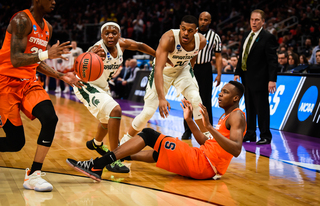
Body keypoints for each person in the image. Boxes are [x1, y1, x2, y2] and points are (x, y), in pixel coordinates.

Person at [66, 81, 246, 181]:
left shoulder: (237, 116)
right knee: (161, 150)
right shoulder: (226, 116)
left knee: (150, 135)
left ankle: (98, 164)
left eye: (225, 92)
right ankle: (125, 155)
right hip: (203, 160)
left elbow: (236, 149)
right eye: (221, 91)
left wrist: (208, 128)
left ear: (236, 98)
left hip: (204, 165)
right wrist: (189, 120)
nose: (220, 94)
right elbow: (206, 143)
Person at [0, 0, 82, 192]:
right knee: (15, 143)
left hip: (29, 83)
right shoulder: (21, 20)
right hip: (6, 84)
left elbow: (34, 62)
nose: (54, 1)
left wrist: (61, 76)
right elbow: (16, 58)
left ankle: (34, 175)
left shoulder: (48, 28)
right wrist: (46, 54)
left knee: (50, 118)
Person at [73, 22, 156, 173]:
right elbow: (84, 60)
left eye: (114, 33)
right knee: (115, 111)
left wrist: (158, 56)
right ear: (101, 35)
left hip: (102, 86)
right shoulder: (97, 49)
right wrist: (93, 56)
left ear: (119, 34)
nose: (110, 36)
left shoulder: (122, 44)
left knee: (107, 121)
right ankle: (114, 159)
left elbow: (140, 45)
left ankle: (96, 143)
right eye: (107, 33)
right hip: (86, 85)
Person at [119, 15, 212, 145]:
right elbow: (158, 69)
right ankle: (125, 139)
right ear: (179, 27)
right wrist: (162, 98)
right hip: (163, 72)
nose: (186, 33)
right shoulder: (168, 38)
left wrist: (190, 73)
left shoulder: (201, 41)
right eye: (183, 29)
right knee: (148, 112)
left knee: (196, 99)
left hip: (182, 70)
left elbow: (193, 57)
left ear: (196, 31)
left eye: (190, 30)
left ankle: (208, 141)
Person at [234, 9, 278, 145]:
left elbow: (272, 60)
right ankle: (251, 133)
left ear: (263, 22)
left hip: (261, 79)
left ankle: (265, 135)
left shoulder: (267, 37)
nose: (254, 22)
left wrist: (272, 80)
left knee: (262, 108)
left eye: (257, 20)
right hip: (246, 78)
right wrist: (237, 72)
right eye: (252, 19)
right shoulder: (247, 34)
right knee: (249, 107)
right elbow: (242, 55)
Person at [181, 11, 222, 140]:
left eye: (206, 20)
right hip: (190, 68)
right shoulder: (190, 33)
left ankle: (207, 130)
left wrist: (219, 73)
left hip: (205, 68)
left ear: (210, 21)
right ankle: (187, 130)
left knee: (205, 100)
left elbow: (218, 56)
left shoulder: (215, 36)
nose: (203, 21)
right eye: (201, 19)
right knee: (188, 98)